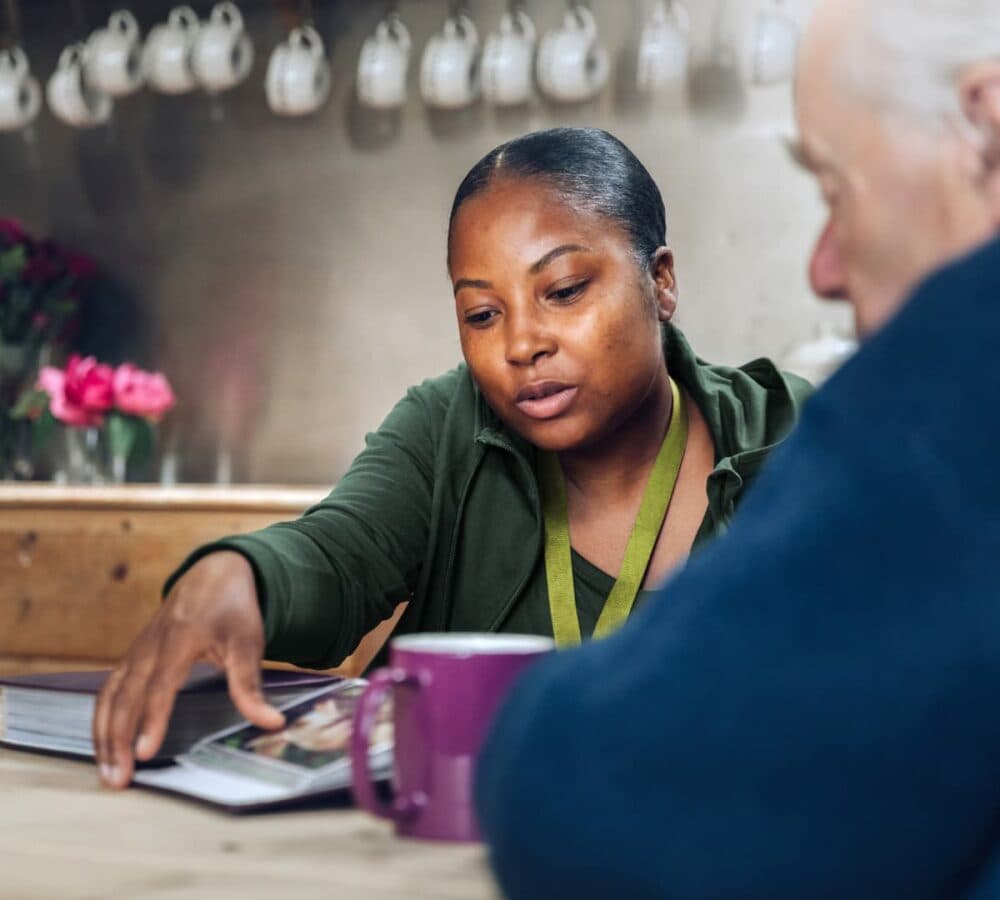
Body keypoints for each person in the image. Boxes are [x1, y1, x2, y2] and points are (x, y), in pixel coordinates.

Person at [93, 128, 810, 789]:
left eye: (562, 292)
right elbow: (341, 551)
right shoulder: (447, 425)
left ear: (660, 282)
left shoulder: (800, 440)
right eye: (482, 314)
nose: (521, 344)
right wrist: (240, 573)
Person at [474, 1, 1000, 898]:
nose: (823, 268)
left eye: (835, 190)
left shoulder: (949, 385)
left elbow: (596, 792)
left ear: (987, 124)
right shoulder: (445, 424)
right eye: (482, 312)